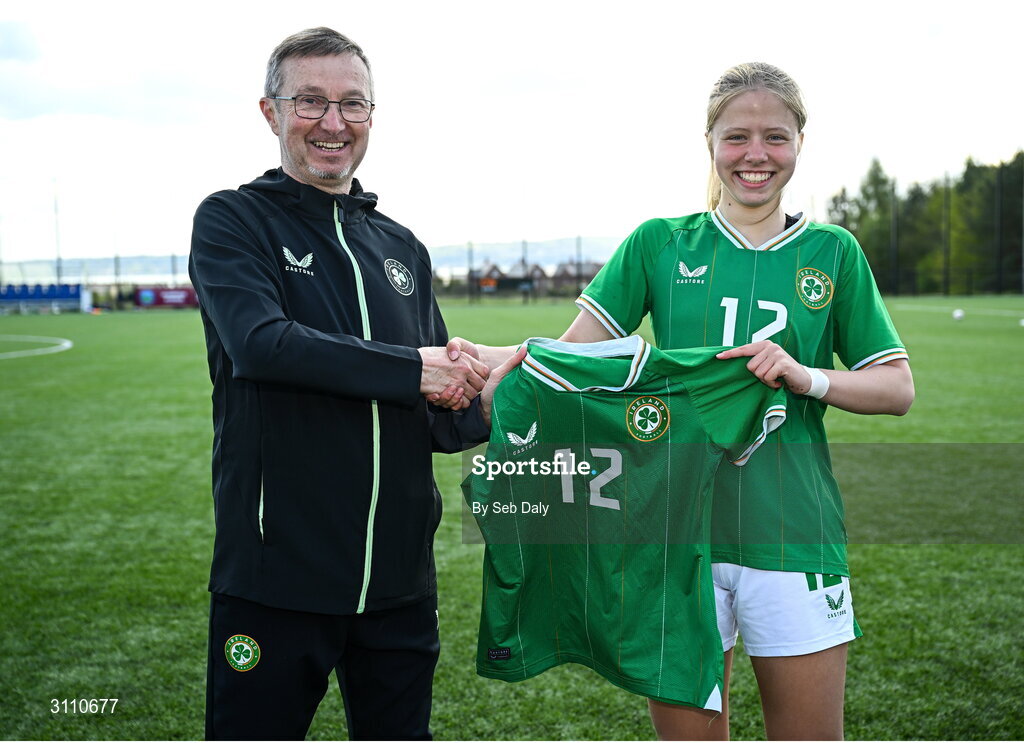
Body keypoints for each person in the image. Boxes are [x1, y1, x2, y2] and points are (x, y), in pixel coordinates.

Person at [516, 62, 913, 739]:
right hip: (673, 538)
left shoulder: (834, 252)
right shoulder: (659, 244)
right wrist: (494, 361)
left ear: (799, 145)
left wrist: (804, 374)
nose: (755, 155)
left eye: (775, 137)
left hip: (794, 533)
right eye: (736, 137)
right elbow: (575, 360)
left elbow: (896, 386)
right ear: (709, 143)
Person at [188, 27, 496, 741]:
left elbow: (442, 419)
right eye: (311, 102)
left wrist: (511, 383)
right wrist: (418, 368)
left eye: (352, 104)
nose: (333, 123)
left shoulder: (401, 247)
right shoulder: (233, 220)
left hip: (399, 587)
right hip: (275, 580)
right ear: (270, 112)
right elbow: (261, 346)